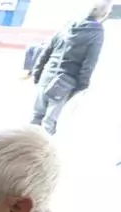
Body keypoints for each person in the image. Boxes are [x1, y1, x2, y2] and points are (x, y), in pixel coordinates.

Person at [31, 1, 112, 134]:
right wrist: (82, 85)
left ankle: (25, 143)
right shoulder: (96, 32)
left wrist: (37, 72)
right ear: (105, 13)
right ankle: (41, 146)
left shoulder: (68, 26)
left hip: (47, 74)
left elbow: (46, 51)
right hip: (65, 81)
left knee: (36, 116)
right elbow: (90, 62)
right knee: (49, 122)